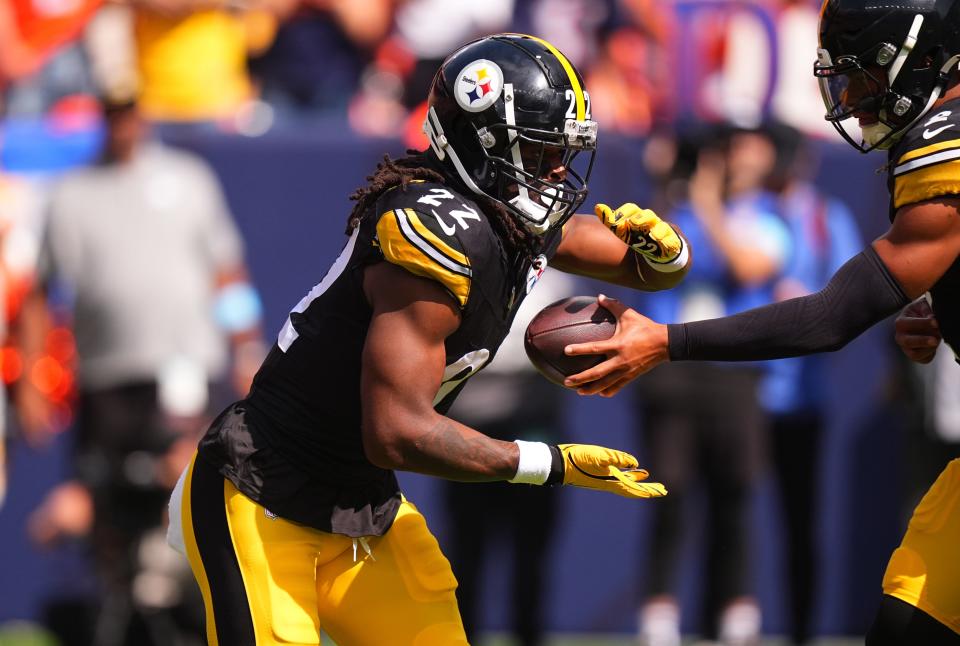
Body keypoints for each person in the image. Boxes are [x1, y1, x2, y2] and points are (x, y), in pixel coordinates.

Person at [166, 33, 688, 645]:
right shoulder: (431, 231)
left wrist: (669, 252)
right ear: (488, 148)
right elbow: (397, 431)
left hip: (362, 506)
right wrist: (548, 463)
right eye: (543, 153)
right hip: (262, 491)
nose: (558, 173)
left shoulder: (509, 216)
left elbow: (641, 264)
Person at [563, 1, 960, 643]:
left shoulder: (947, 147)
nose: (854, 98)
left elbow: (834, 316)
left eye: (866, 75)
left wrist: (666, 341)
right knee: (907, 626)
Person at [18, 86, 265, 646]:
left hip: (181, 368)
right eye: (111, 112)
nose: (121, 123)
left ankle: (182, 609)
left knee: (181, 487)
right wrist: (34, 374)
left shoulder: (188, 179)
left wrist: (246, 346)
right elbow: (39, 290)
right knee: (105, 502)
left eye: (129, 111)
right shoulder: (71, 193)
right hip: (105, 376)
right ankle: (120, 615)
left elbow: (226, 271)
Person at [634, 124, 791, 646]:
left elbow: (750, 266)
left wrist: (708, 203)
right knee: (668, 491)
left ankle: (735, 611)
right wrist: (669, 181)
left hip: (732, 374)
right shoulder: (668, 214)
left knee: (735, 493)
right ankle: (660, 611)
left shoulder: (763, 219)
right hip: (670, 372)